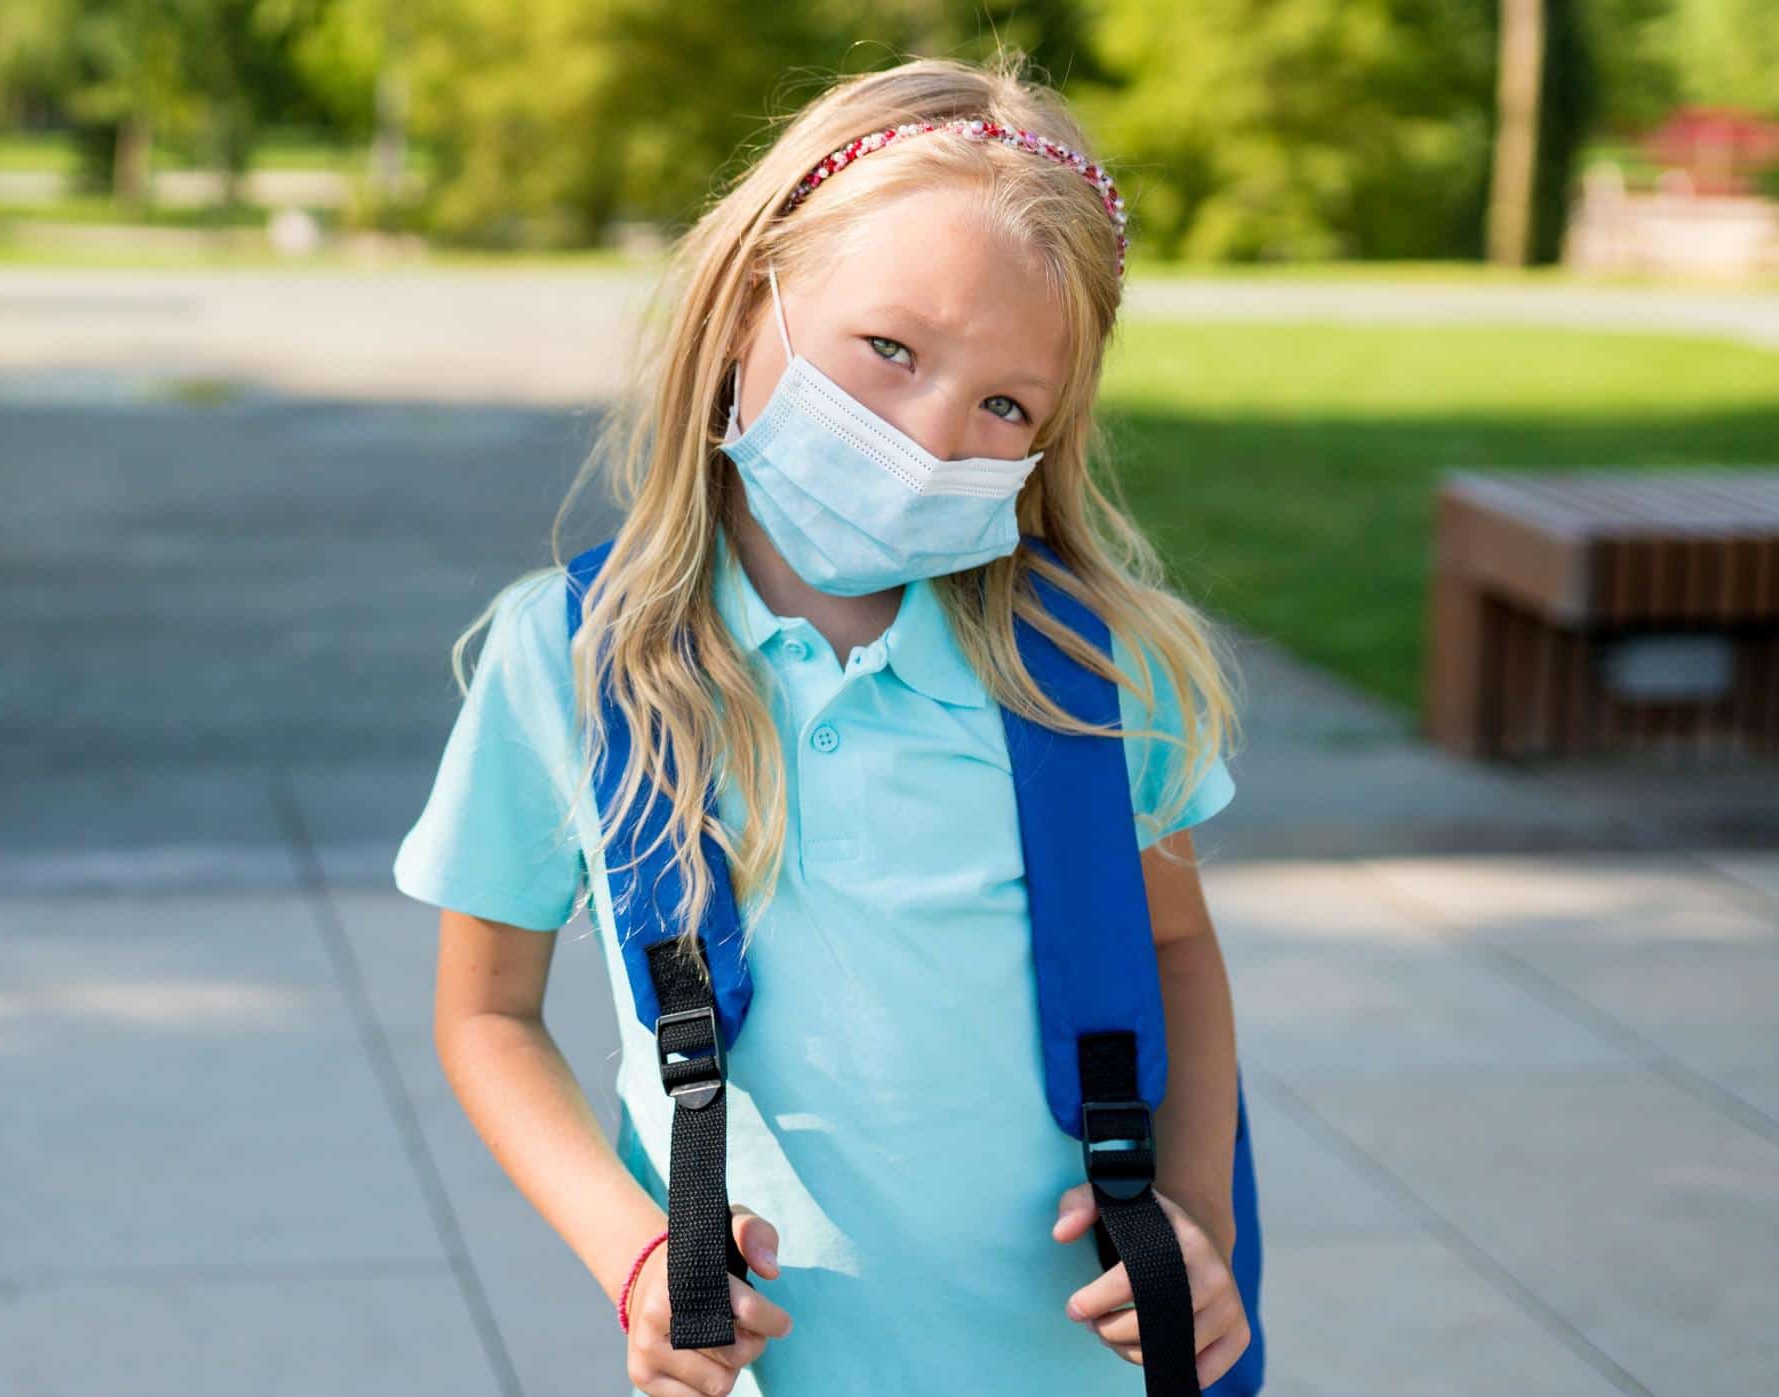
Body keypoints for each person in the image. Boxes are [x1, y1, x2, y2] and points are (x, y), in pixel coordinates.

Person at [394, 51, 1254, 1397]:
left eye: (1003, 404)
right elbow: (485, 1013)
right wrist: (634, 1255)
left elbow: (1175, 950)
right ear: (748, 300)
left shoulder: (1097, 673)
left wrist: (1195, 1214)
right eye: (889, 350)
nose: (926, 437)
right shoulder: (568, 661)